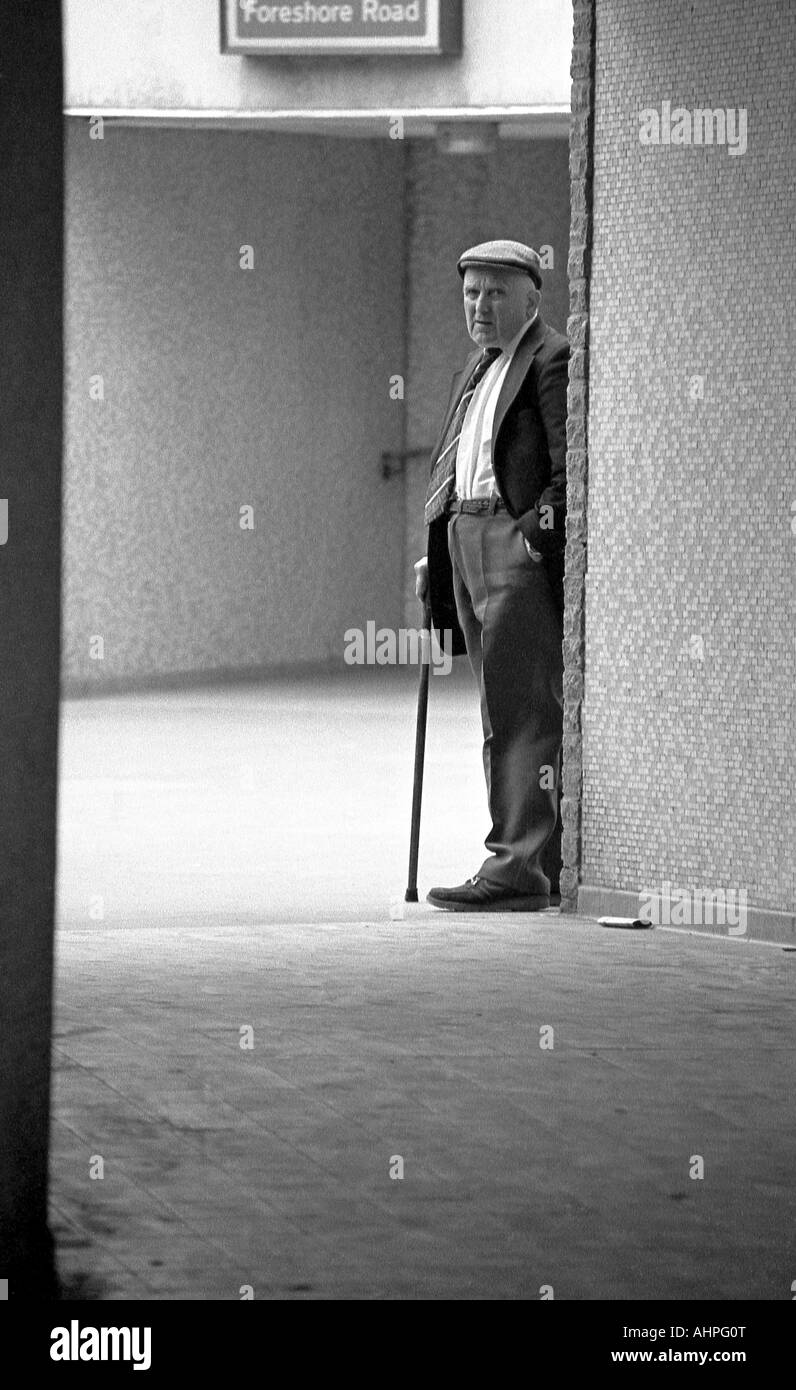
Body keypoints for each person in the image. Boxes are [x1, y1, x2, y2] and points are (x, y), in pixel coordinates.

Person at [415, 239, 568, 912]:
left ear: (533, 298)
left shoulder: (549, 359)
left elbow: (570, 466)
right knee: (498, 709)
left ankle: (517, 864)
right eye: (472, 293)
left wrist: (536, 536)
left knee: (522, 709)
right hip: (465, 538)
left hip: (511, 541)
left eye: (496, 293)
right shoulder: (478, 369)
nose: (480, 306)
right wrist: (439, 547)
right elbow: (459, 464)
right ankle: (533, 855)